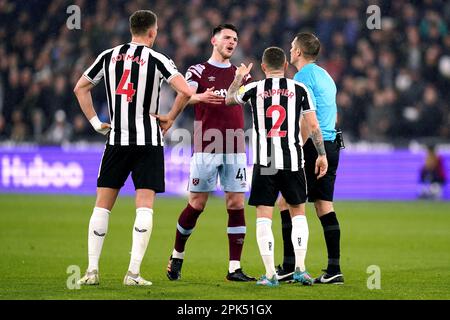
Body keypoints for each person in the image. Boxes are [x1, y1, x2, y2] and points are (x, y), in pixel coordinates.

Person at [73, 10, 200, 286]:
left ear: (131, 29)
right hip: (148, 142)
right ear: (152, 32)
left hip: (116, 141)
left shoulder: (107, 56)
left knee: (102, 206)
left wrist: (95, 122)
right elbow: (186, 91)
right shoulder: (158, 59)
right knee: (144, 207)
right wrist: (170, 117)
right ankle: (132, 273)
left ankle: (92, 271)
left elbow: (80, 88)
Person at [157, 24, 255, 282]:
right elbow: (183, 96)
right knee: (197, 204)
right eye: (227, 38)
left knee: (236, 203)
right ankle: (177, 255)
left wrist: (240, 83)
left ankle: (234, 268)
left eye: (235, 39)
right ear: (214, 40)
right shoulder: (198, 70)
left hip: (235, 145)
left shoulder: (240, 73)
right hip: (206, 145)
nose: (232, 42)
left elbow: (249, 100)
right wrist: (199, 97)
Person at [225, 47, 328, 287]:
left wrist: (238, 77)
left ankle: (271, 273)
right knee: (298, 213)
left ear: (263, 67)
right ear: (284, 66)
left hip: (266, 161)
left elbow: (229, 100)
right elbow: (313, 126)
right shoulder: (300, 89)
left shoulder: (254, 88)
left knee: (264, 216)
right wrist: (321, 155)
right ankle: (301, 269)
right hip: (293, 160)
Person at [276, 32, 344, 284]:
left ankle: (289, 266)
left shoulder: (302, 77)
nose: (290, 49)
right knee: (324, 205)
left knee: (286, 203)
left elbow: (308, 117)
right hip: (332, 143)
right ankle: (334, 269)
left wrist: (297, 146)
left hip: (312, 147)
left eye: (292, 46)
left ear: (298, 52)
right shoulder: (326, 75)